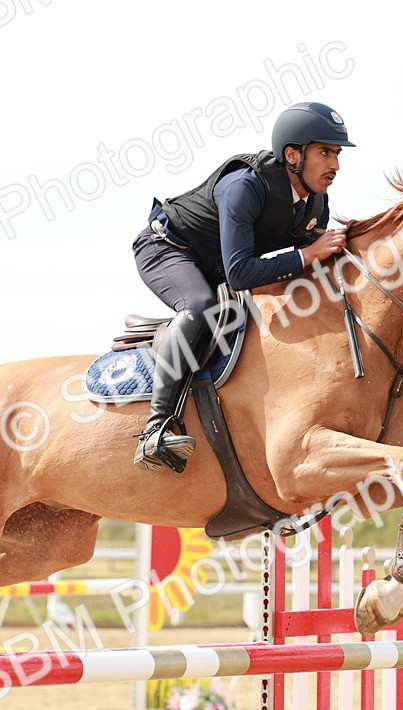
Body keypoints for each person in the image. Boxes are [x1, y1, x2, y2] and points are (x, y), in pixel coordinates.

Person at [131, 101, 355, 473]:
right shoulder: (244, 186)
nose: (335, 165)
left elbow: (309, 265)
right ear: (292, 155)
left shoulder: (316, 203)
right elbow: (240, 274)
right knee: (201, 306)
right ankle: (155, 430)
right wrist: (307, 254)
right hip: (167, 248)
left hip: (215, 263)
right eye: (325, 153)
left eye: (337, 154)